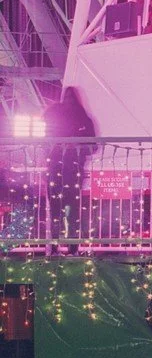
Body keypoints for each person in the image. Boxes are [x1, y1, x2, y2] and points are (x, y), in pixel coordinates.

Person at [44, 87, 96, 252]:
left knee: (61, 208)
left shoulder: (59, 116)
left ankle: (58, 246)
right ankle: (68, 246)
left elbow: (93, 145)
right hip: (69, 168)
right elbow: (93, 145)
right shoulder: (83, 118)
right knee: (68, 209)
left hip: (63, 168)